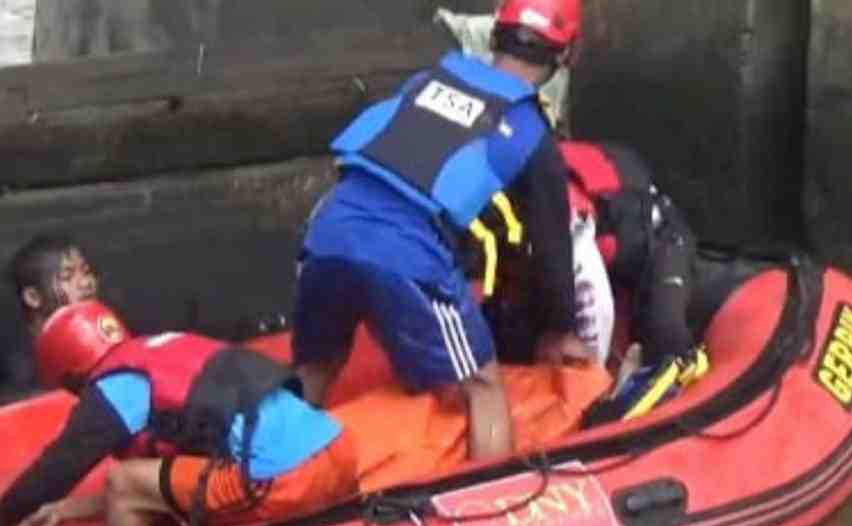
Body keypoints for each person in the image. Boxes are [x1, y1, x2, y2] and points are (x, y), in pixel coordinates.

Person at [294, 0, 587, 464]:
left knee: (315, 367)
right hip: (405, 248)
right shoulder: (532, 132)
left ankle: (252, 488)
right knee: (483, 387)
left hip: (329, 229)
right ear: (566, 56)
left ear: (495, 35)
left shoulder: (427, 82)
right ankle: (490, 505)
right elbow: (551, 248)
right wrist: (561, 328)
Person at [0, 299, 359, 526]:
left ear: (70, 375)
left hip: (280, 479)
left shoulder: (116, 386)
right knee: (154, 484)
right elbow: (172, 480)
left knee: (123, 482)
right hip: (337, 451)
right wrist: (65, 510)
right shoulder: (163, 350)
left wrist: (1, 521)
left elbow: (58, 467)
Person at [474, 140, 710, 421]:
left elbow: (594, 302)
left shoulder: (559, 219)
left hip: (660, 238)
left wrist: (590, 378)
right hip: (591, 243)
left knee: (665, 334)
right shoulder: (490, 217)